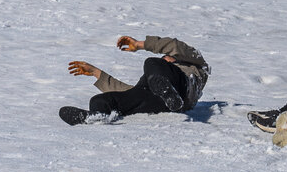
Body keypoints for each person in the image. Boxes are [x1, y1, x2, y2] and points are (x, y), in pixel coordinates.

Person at [60, 34, 210, 124]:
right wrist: (94, 72)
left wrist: (140, 45)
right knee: (100, 100)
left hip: (179, 91)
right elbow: (126, 91)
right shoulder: (152, 77)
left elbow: (175, 46)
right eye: (163, 59)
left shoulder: (196, 66)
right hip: (156, 100)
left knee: (151, 63)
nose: (164, 59)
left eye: (167, 58)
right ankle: (96, 117)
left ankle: (167, 91)